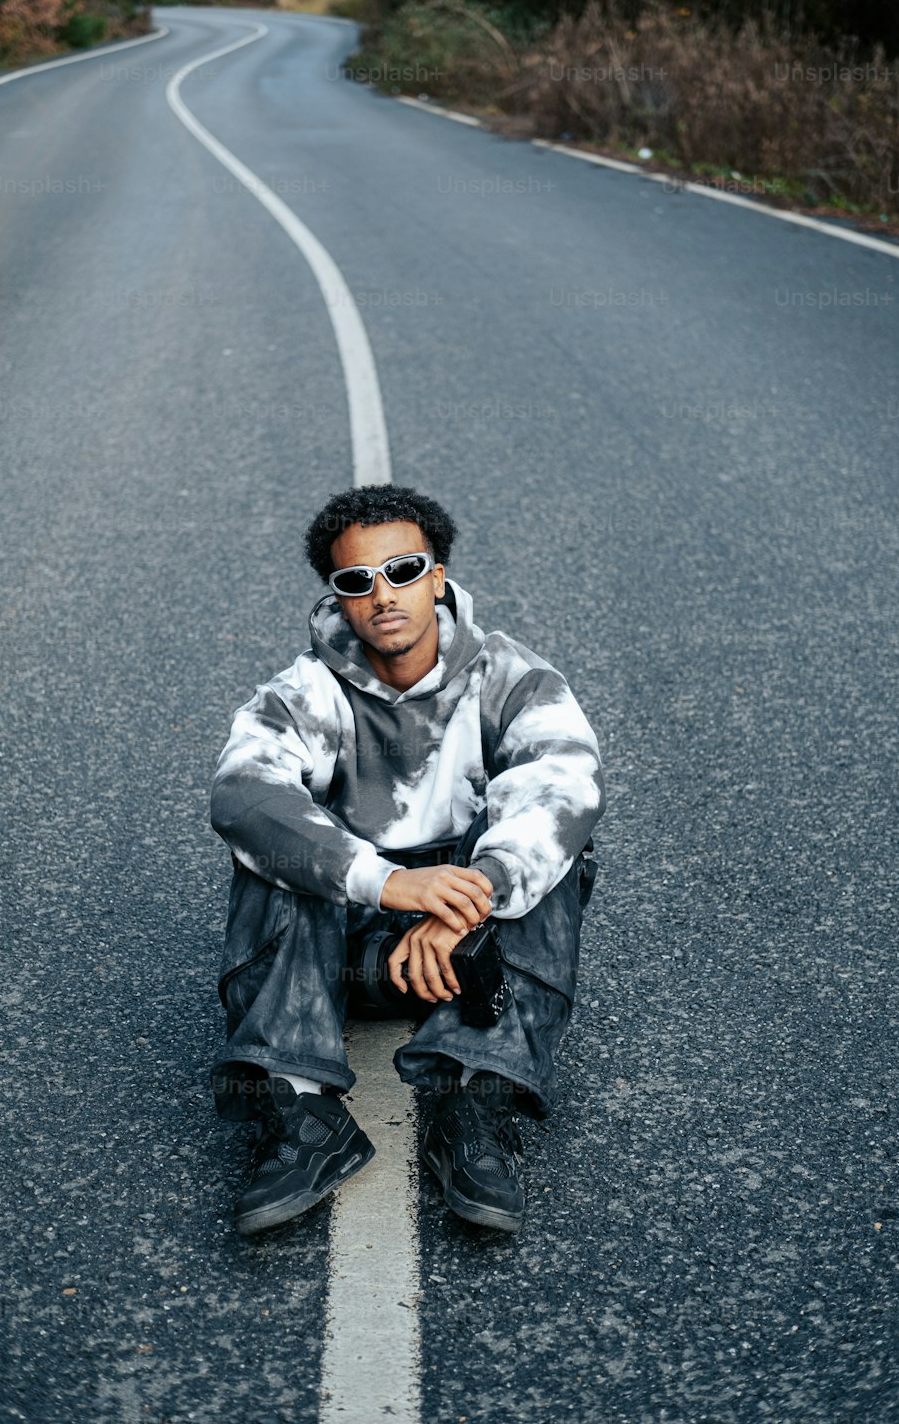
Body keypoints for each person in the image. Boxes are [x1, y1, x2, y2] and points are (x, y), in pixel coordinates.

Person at [209, 483, 604, 1235]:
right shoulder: (303, 693)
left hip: (465, 958)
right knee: (274, 843)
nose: (382, 594)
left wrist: (467, 899)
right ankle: (303, 1117)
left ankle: (474, 1108)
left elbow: (565, 787)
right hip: (344, 957)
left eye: (402, 570)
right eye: (356, 580)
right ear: (338, 595)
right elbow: (240, 794)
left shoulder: (515, 681)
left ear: (437, 575)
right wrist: (392, 884)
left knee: (550, 851)